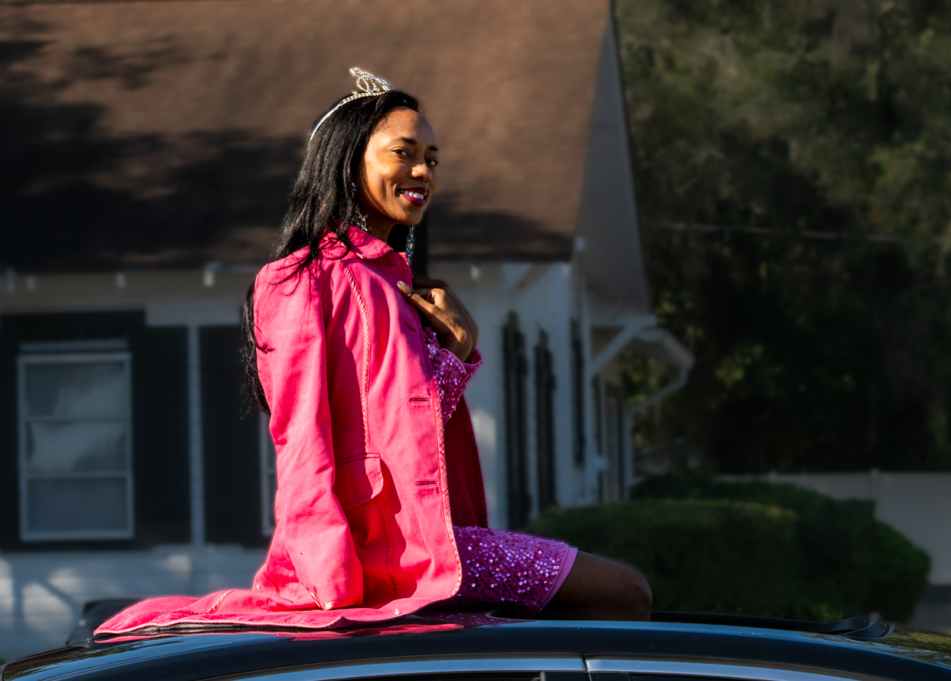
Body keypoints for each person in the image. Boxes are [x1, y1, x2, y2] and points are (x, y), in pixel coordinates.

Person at [97, 70, 650, 635]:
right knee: (625, 594)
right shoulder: (296, 280)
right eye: (403, 152)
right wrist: (326, 573)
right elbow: (302, 434)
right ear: (346, 160)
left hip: (423, 538)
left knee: (595, 606)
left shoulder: (397, 285)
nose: (422, 172)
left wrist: (457, 349)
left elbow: (409, 419)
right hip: (367, 554)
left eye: (432, 159)